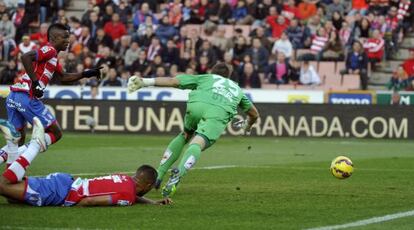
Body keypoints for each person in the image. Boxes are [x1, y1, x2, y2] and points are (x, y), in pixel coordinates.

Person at [127, 62, 259, 198]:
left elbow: (173, 81)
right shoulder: (237, 90)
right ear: (229, 76)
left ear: (212, 72)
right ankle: (179, 174)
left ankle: (159, 175)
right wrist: (247, 125)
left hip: (196, 106)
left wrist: (144, 82)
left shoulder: (205, 78)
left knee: (185, 134)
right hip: (217, 112)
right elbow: (254, 114)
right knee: (198, 143)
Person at [0, 118, 171, 207]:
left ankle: (13, 147)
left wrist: (153, 203)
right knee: (3, 185)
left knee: (11, 197)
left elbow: (132, 195)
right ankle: (31, 145)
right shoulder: (128, 195)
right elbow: (89, 201)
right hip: (61, 193)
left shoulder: (125, 179)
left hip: (65, 182)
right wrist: (73, 205)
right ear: (148, 185)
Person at [1, 23, 102, 172]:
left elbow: (63, 77)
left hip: (14, 96)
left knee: (17, 140)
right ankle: (22, 158)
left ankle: (11, 178)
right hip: (26, 96)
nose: (68, 40)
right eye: (65, 37)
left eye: (69, 37)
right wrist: (36, 83)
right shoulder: (49, 50)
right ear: (54, 38)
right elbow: (25, 57)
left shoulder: (53, 57)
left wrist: (87, 73)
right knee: (55, 133)